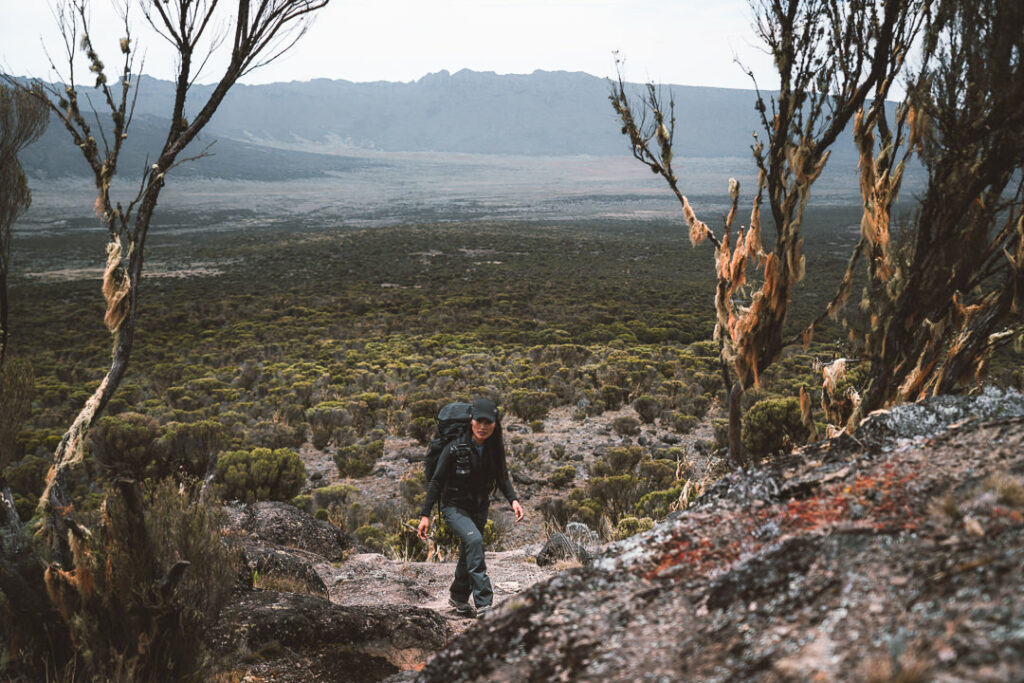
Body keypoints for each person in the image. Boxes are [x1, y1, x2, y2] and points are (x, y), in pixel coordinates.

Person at [417, 397, 525, 618]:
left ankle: (458, 596)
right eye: (479, 421)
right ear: (470, 420)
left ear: (495, 423)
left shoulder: (493, 449)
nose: (483, 427)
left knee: (469, 551)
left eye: (488, 422)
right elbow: (436, 481)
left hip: (479, 506)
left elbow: (502, 477)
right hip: (454, 507)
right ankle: (484, 603)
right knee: (474, 541)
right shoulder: (455, 447)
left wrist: (513, 500)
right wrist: (425, 515)